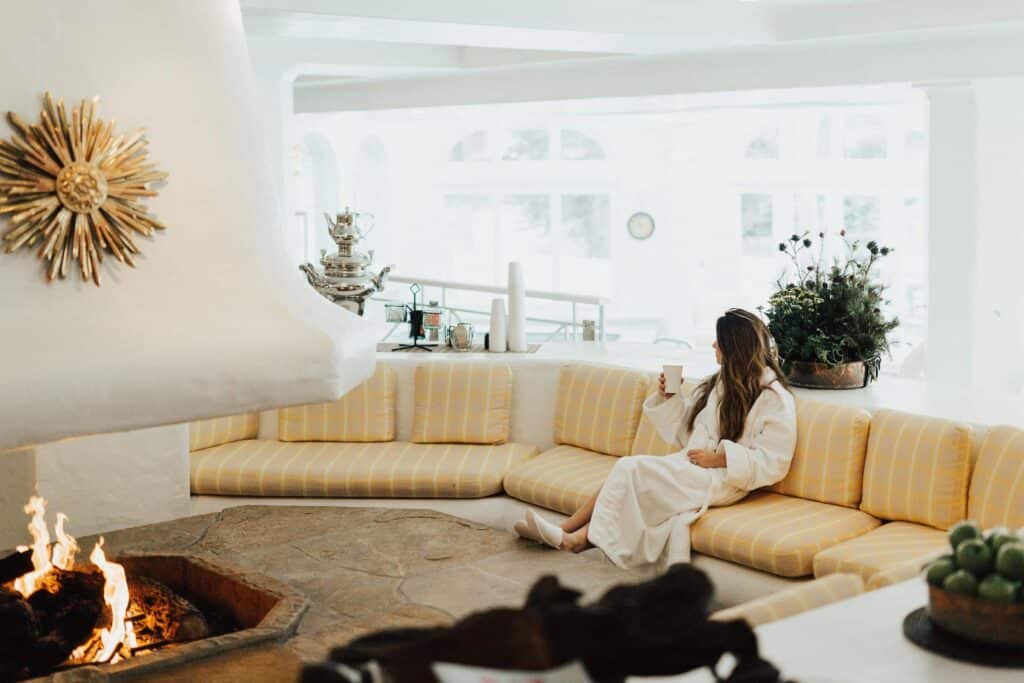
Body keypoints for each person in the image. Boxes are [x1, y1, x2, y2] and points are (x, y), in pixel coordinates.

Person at [514, 308, 798, 571]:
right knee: (627, 473)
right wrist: (670, 398)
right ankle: (564, 531)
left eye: (718, 341)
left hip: (726, 480)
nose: (714, 346)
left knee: (630, 468)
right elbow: (690, 435)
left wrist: (722, 458)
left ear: (734, 346)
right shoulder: (723, 384)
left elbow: (774, 462)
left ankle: (572, 539)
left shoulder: (774, 399)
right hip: (696, 468)